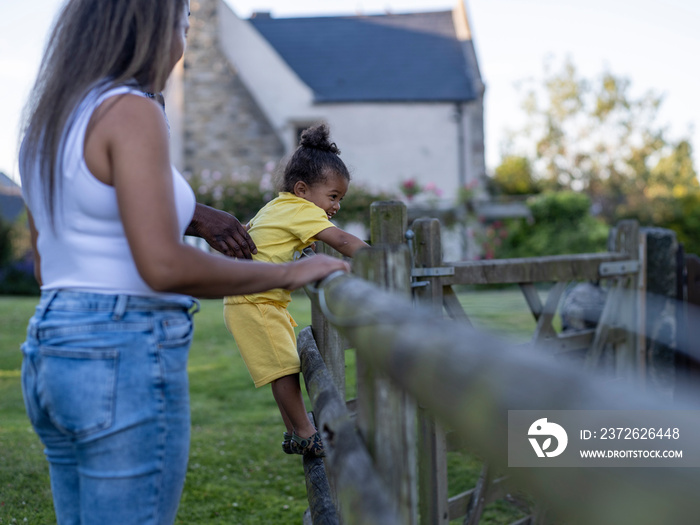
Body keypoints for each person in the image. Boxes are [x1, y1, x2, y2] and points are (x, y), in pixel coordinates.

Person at [17, 1, 349, 524]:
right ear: (151, 28)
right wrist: (288, 271)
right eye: (184, 27)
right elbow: (163, 266)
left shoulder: (48, 118)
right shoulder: (131, 110)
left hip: (50, 349)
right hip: (121, 352)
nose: (184, 44)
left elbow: (44, 265)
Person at [223, 124, 369, 457]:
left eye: (340, 199)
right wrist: (379, 260)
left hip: (254, 301)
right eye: (333, 196)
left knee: (282, 368)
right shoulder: (303, 210)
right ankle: (306, 432)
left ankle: (294, 431)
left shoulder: (278, 206)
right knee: (285, 369)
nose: (336, 206)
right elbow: (342, 240)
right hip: (255, 301)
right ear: (302, 189)